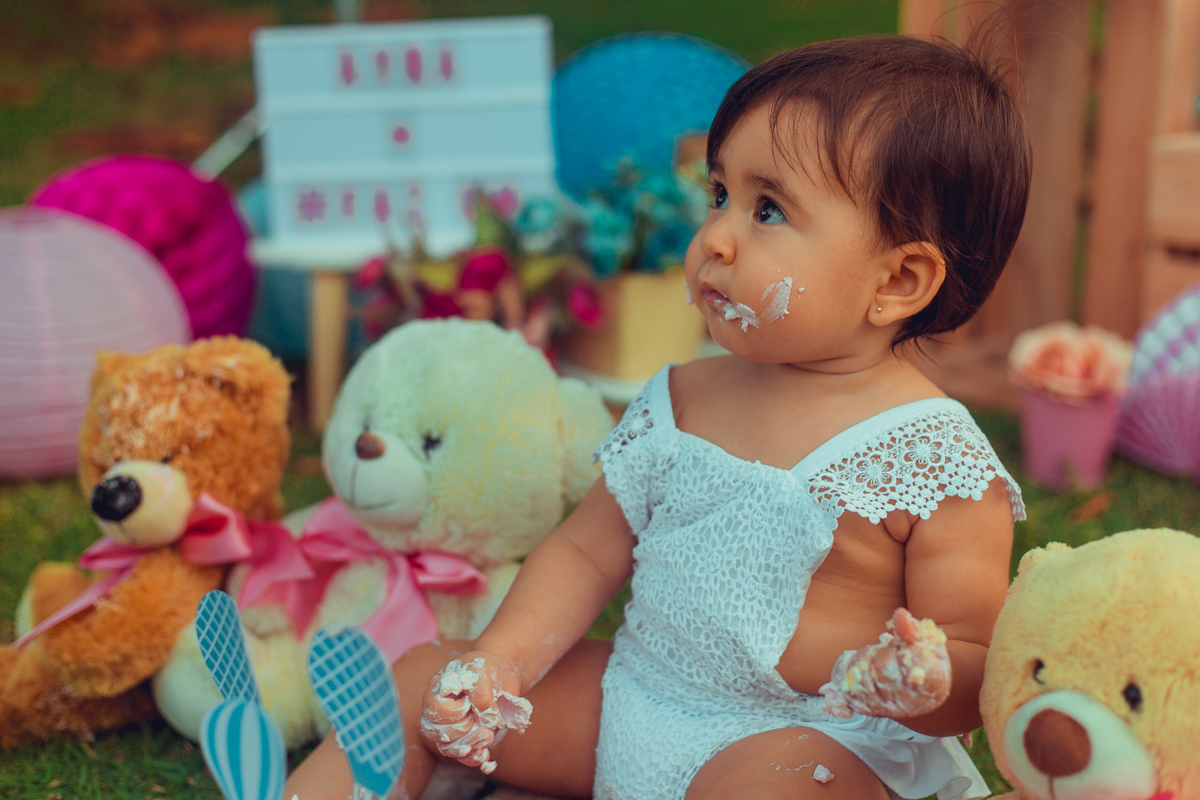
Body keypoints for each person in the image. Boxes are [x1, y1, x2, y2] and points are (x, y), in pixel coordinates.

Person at [287, 33, 1030, 800]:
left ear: (899, 280)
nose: (715, 237)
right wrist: (500, 662)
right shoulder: (681, 398)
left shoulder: (932, 457)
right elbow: (583, 554)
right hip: (635, 701)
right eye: (718, 196)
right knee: (416, 680)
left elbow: (980, 656)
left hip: (808, 740)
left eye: (767, 208)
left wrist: (925, 677)